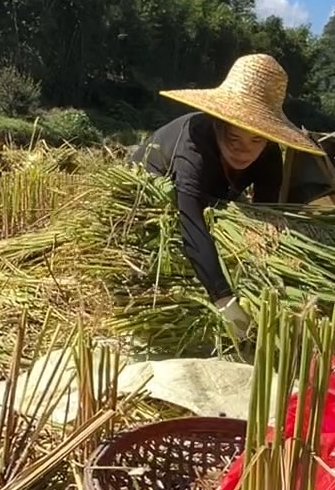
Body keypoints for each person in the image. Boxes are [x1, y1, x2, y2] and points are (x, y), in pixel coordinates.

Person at [128, 53, 323, 339]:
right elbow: (192, 224)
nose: (244, 150)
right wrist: (225, 300)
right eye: (234, 138)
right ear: (219, 123)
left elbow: (265, 218)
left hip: (216, 191)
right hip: (153, 187)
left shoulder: (268, 155)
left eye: (256, 139)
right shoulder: (195, 145)